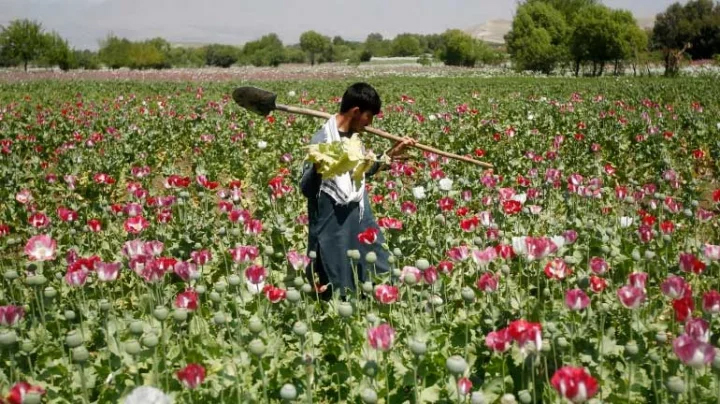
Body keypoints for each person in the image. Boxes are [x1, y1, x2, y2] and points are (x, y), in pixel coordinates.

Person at [299, 82, 415, 300]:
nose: (370, 123)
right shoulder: (322, 141)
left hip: (361, 220)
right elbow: (306, 188)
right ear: (355, 111)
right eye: (369, 117)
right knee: (339, 288)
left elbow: (361, 170)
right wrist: (317, 166)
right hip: (334, 227)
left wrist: (391, 154)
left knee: (381, 273)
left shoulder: (353, 140)